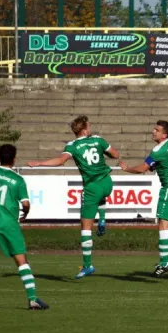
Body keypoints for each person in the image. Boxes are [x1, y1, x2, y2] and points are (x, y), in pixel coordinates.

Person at [27, 115, 120, 279]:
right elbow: (115, 155)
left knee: (85, 227)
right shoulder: (98, 140)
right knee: (101, 195)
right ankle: (103, 217)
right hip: (107, 183)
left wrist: (40, 163)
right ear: (84, 129)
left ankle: (87, 265)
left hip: (92, 187)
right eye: (89, 126)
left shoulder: (73, 145)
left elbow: (60, 161)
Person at [0, 144, 48, 310]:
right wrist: (26, 211)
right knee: (21, 261)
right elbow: (25, 203)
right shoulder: (18, 180)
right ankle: (32, 298)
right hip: (10, 226)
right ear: (13, 159)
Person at [118, 120, 168, 277]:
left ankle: (164, 263)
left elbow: (142, 168)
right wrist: (155, 166)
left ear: (164, 135)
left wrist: (126, 168)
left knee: (163, 225)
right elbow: (162, 162)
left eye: (156, 130)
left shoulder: (158, 151)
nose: (153, 131)